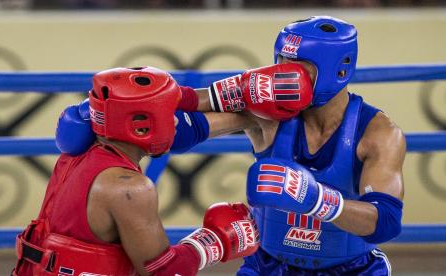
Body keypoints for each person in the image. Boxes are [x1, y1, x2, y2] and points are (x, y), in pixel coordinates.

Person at [55, 15, 405, 275]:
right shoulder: (268, 114)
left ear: (339, 70)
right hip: (268, 266)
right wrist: (105, 114)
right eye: (280, 63)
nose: (282, 74)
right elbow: (180, 130)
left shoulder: (378, 133)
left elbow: (385, 222)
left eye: (298, 66)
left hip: (349, 269)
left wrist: (316, 199)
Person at [13, 67, 261, 276]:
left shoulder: (79, 152)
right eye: (169, 115)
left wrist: (253, 108)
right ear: (140, 130)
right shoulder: (128, 188)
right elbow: (164, 271)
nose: (176, 121)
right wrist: (215, 241)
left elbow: (185, 124)